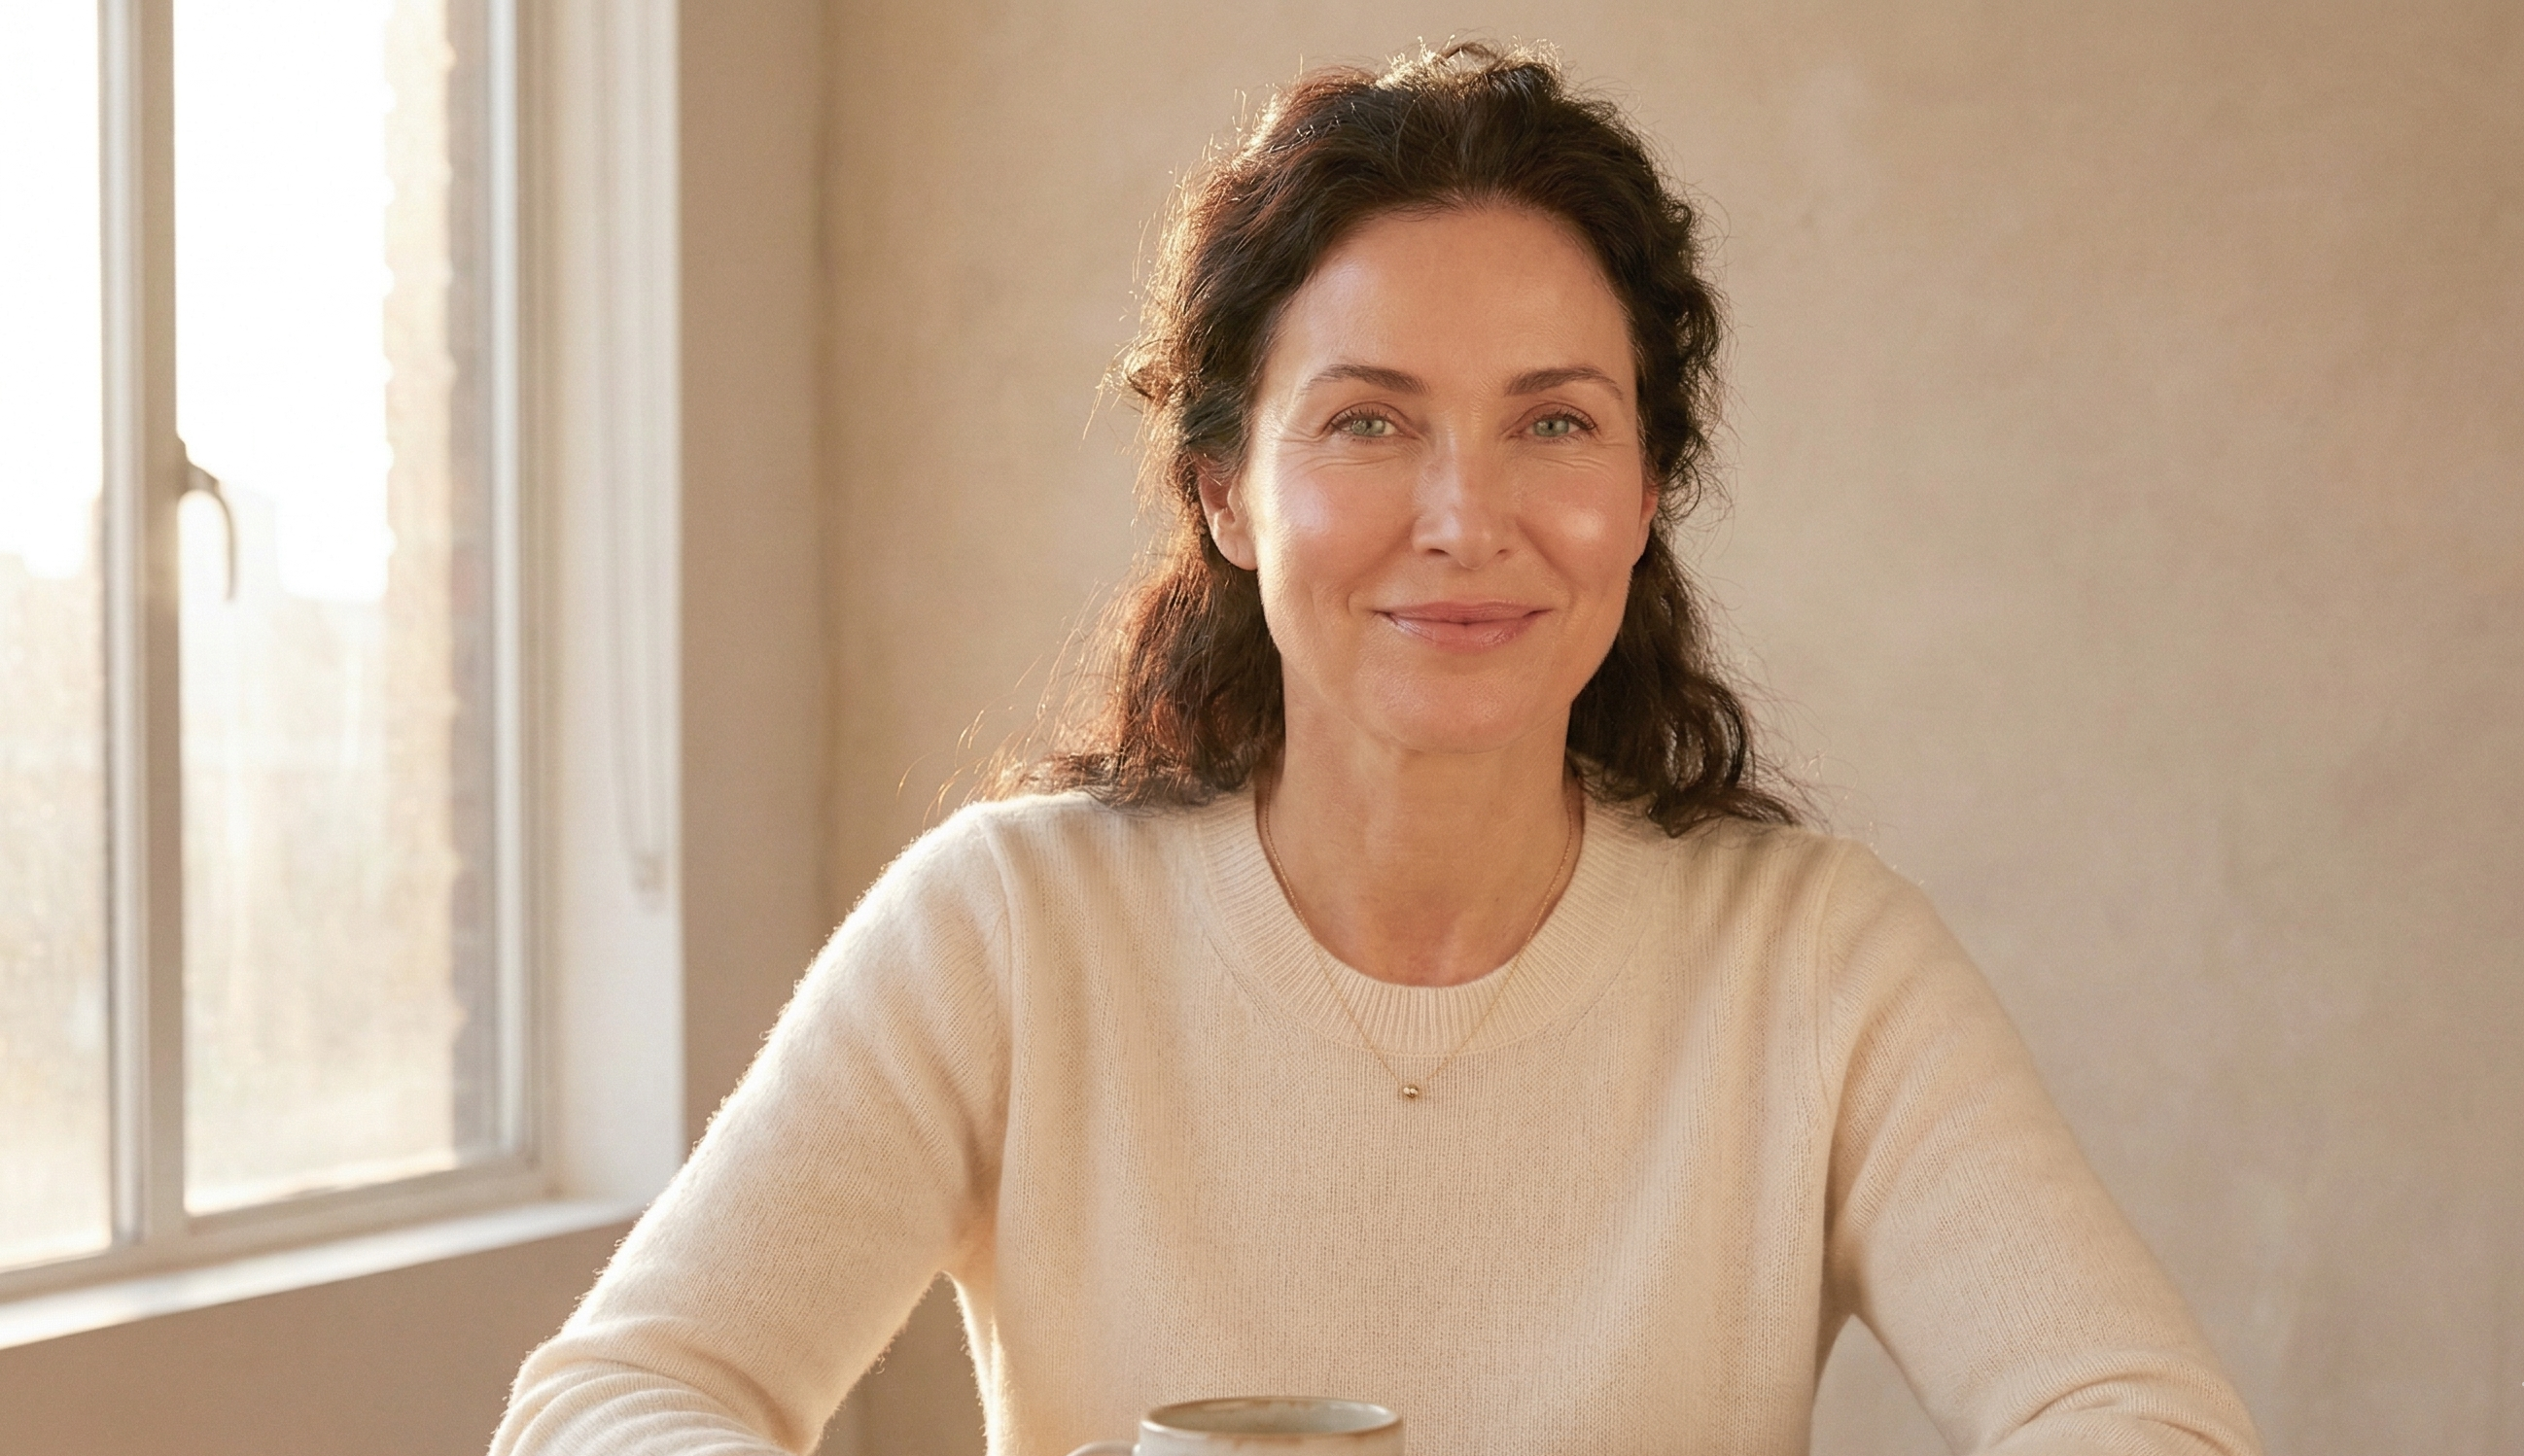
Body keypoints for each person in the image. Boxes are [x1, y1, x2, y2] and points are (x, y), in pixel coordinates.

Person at [491, 43, 2262, 1456]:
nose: (1463, 516)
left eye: (1553, 421)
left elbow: (2138, 1416)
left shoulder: (1813, 960)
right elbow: (613, 1399)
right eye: (1368, 422)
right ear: (1224, 490)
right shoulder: (1012, 931)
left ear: (1646, 493)